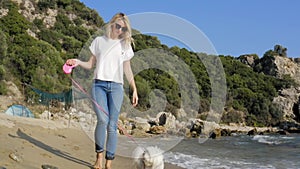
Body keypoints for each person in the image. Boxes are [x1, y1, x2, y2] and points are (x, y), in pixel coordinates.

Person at [65, 12, 138, 169]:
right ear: (111, 24)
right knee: (103, 120)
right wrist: (76, 62)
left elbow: (127, 69)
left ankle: (108, 163)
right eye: (118, 26)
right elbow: (90, 64)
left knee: (112, 125)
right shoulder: (99, 41)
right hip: (98, 85)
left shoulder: (125, 45)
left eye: (123, 29)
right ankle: (98, 158)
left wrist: (134, 89)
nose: (120, 30)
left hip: (117, 87)